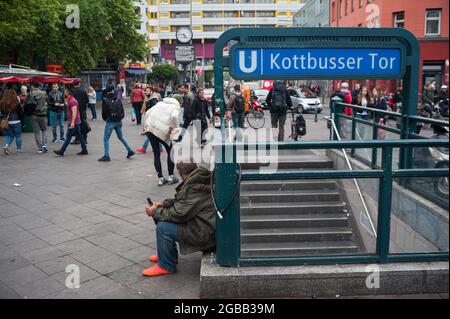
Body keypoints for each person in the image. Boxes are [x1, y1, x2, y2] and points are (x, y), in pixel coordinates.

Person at [143, 161, 215, 277]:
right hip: (206, 223)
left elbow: (179, 214)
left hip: (204, 230)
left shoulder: (192, 186)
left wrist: (154, 211)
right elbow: (184, 203)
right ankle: (165, 254)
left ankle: (166, 265)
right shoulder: (199, 177)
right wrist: (164, 204)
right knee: (163, 216)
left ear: (181, 173)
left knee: (163, 227)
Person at [142, 95, 182, 186]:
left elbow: (147, 113)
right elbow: (175, 117)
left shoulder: (160, 103)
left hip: (150, 129)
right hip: (162, 130)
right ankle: (171, 176)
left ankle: (160, 178)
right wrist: (177, 129)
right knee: (170, 152)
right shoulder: (175, 107)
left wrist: (144, 127)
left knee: (156, 154)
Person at [98, 85, 135, 162]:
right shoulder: (117, 99)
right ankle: (130, 150)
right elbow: (122, 110)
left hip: (110, 122)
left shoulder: (105, 99)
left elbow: (104, 112)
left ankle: (106, 155)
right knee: (121, 137)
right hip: (118, 121)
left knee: (106, 139)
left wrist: (105, 119)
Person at [53, 88, 88, 157]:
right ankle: (84, 149)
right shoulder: (71, 100)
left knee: (68, 137)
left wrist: (72, 123)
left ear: (68, 93)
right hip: (75, 122)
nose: (64, 92)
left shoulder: (72, 101)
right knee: (80, 136)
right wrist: (63, 104)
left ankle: (62, 150)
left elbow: (74, 112)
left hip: (74, 122)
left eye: (65, 91)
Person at [136, 86, 162, 154]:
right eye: (145, 91)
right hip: (151, 119)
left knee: (149, 133)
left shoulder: (153, 100)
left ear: (151, 92)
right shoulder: (149, 98)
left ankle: (144, 148)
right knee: (153, 134)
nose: (145, 92)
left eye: (147, 91)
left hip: (153, 119)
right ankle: (160, 147)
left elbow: (154, 111)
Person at [1, 89, 24, 155]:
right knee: (18, 136)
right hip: (17, 121)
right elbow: (21, 113)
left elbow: (3, 113)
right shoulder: (17, 103)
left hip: (8, 122)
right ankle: (19, 150)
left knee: (9, 135)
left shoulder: (4, 103)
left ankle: (6, 145)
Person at [29, 82, 49, 154]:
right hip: (43, 114)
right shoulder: (44, 93)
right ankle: (44, 145)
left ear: (32, 86)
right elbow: (47, 102)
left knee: (36, 131)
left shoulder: (31, 94)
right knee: (44, 130)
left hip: (34, 115)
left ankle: (40, 148)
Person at [71, 79, 90, 144]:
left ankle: (77, 139)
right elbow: (87, 101)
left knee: (76, 124)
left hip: (74, 111)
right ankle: (84, 139)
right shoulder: (83, 91)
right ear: (79, 84)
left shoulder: (72, 91)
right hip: (82, 110)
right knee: (83, 124)